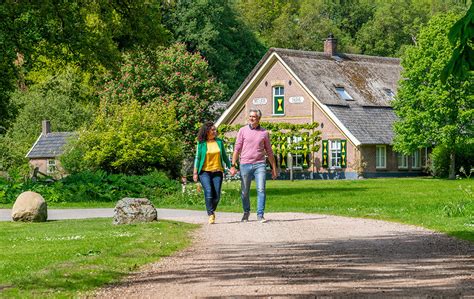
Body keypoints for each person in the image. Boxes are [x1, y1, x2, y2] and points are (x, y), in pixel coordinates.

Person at [230, 108, 278, 223]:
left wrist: (274, 169)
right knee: (244, 191)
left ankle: (260, 214)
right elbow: (237, 149)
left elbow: (269, 152)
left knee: (261, 189)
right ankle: (246, 212)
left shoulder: (264, 133)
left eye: (254, 117)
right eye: (250, 116)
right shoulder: (242, 131)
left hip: (259, 164)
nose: (251, 118)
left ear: (259, 118)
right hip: (245, 164)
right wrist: (233, 165)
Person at [193, 121, 231, 224]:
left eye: (215, 130)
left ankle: (211, 209)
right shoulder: (201, 143)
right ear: (207, 131)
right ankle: (210, 214)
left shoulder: (219, 142)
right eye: (213, 130)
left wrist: (231, 167)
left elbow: (224, 156)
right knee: (209, 192)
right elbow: (197, 157)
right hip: (204, 172)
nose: (215, 131)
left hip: (217, 172)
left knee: (217, 195)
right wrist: (195, 172)